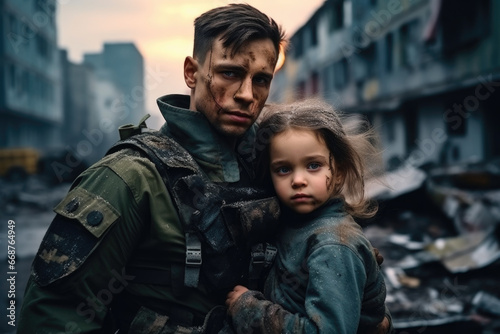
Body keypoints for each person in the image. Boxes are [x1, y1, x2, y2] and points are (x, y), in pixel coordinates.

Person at [18, 4, 285, 333]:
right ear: (191, 72)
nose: (247, 94)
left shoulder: (273, 171)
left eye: (261, 80)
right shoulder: (128, 177)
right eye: (230, 73)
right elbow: (53, 318)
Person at [225, 98, 393, 334]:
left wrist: (249, 310)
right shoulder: (294, 224)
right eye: (283, 169)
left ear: (339, 172)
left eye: (313, 165)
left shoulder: (332, 245)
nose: (298, 180)